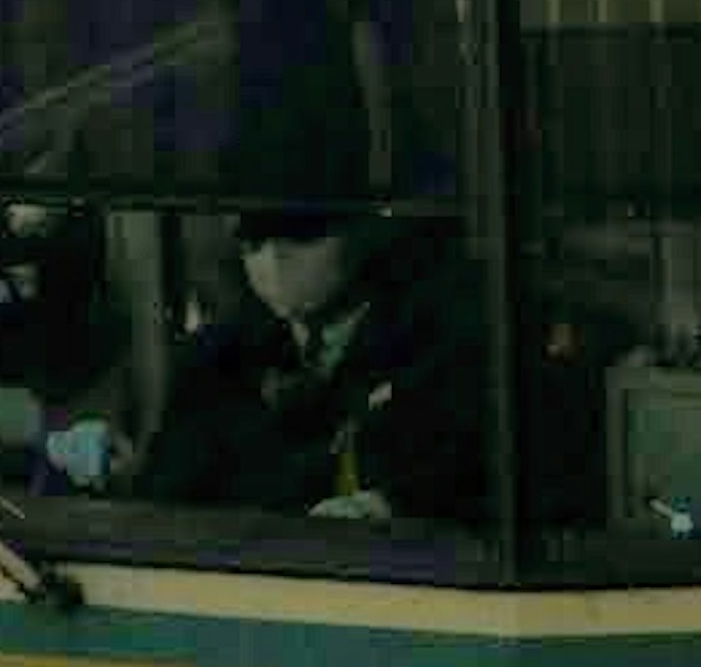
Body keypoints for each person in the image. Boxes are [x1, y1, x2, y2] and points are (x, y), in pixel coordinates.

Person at [139, 209, 490, 532]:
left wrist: (391, 507)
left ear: (361, 230)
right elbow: (164, 504)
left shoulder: (445, 346)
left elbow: (478, 484)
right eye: (254, 243)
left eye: (302, 236)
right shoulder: (214, 359)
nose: (275, 258)